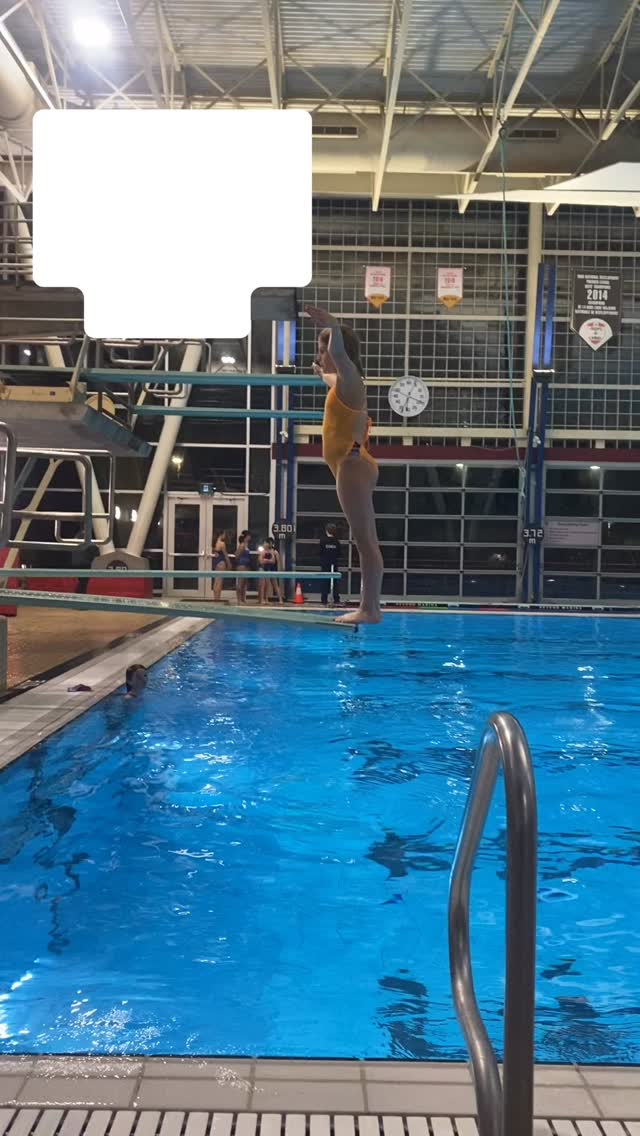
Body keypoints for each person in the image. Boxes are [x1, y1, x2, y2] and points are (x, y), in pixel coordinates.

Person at [305, 304, 383, 624]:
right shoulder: (342, 385)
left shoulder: (352, 379)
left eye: (323, 349)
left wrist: (333, 326)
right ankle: (369, 608)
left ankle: (370, 609)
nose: (322, 354)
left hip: (352, 465)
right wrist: (319, 372)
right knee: (364, 539)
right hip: (350, 464)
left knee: (365, 541)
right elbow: (330, 377)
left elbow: (338, 359)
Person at [319, 522, 341, 607]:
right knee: (335, 582)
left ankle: (324, 600)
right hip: (334, 563)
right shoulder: (336, 542)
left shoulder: (323, 541)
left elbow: (319, 552)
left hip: (325, 563)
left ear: (326, 531)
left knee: (324, 581)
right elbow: (339, 553)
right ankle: (336, 599)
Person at [258, 538, 284, 605]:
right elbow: (261, 561)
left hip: (272, 569)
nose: (265, 544)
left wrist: (279, 571)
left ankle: (280, 599)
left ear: (270, 544)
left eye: (266, 543)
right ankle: (265, 599)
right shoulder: (264, 551)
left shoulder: (274, 552)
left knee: (275, 585)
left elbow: (277, 562)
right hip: (266, 569)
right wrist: (267, 561)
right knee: (266, 584)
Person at [212, 531, 231, 602]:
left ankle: (215, 598)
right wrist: (229, 563)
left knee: (216, 581)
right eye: (224, 534)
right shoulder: (222, 543)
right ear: (221, 534)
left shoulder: (214, 543)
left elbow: (215, 552)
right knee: (220, 581)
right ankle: (218, 598)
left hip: (216, 562)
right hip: (221, 562)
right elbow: (225, 555)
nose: (225, 536)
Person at [235, 530, 253, 605]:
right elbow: (237, 555)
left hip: (246, 566)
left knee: (244, 583)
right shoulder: (242, 545)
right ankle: (239, 600)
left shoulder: (246, 545)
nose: (250, 537)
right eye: (249, 536)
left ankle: (243, 598)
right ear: (246, 537)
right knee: (240, 583)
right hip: (241, 565)